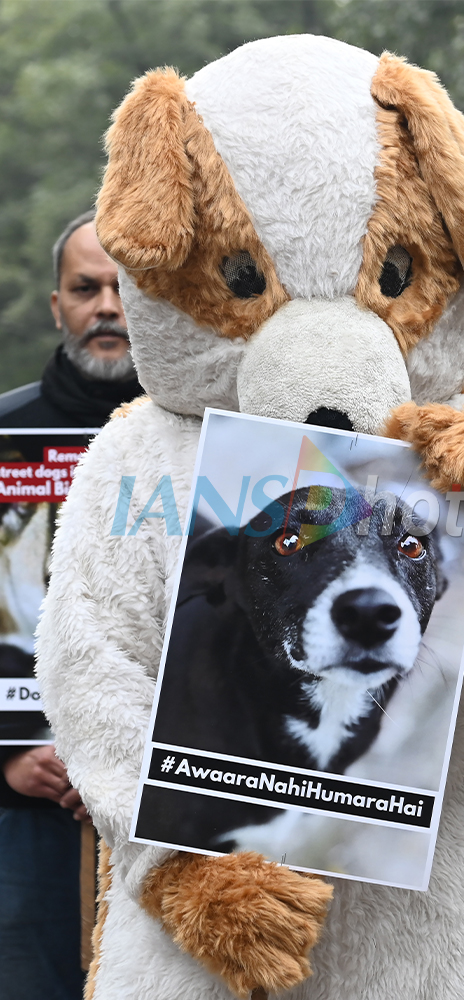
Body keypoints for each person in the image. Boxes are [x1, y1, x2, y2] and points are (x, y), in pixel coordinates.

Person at [0, 209, 142, 1000]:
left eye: (126, 287)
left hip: (169, 813)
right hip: (26, 807)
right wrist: (9, 756)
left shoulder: (211, 442)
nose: (107, 307)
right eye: (86, 288)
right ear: (57, 305)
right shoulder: (5, 436)